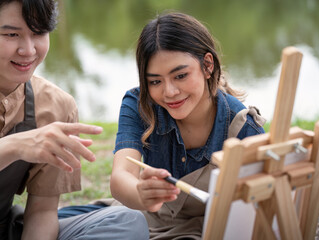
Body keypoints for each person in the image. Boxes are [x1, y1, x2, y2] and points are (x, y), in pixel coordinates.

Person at [0, 0, 148, 239]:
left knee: (126, 221)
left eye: (38, 33)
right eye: (11, 34)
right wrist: (16, 146)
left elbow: (42, 212)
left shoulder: (56, 107)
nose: (28, 50)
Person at [110, 12, 266, 239]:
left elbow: (259, 211)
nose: (169, 92)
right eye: (155, 81)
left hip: (210, 230)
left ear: (207, 65)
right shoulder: (138, 105)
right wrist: (140, 193)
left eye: (180, 75)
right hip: (144, 218)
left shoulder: (245, 128)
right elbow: (120, 176)